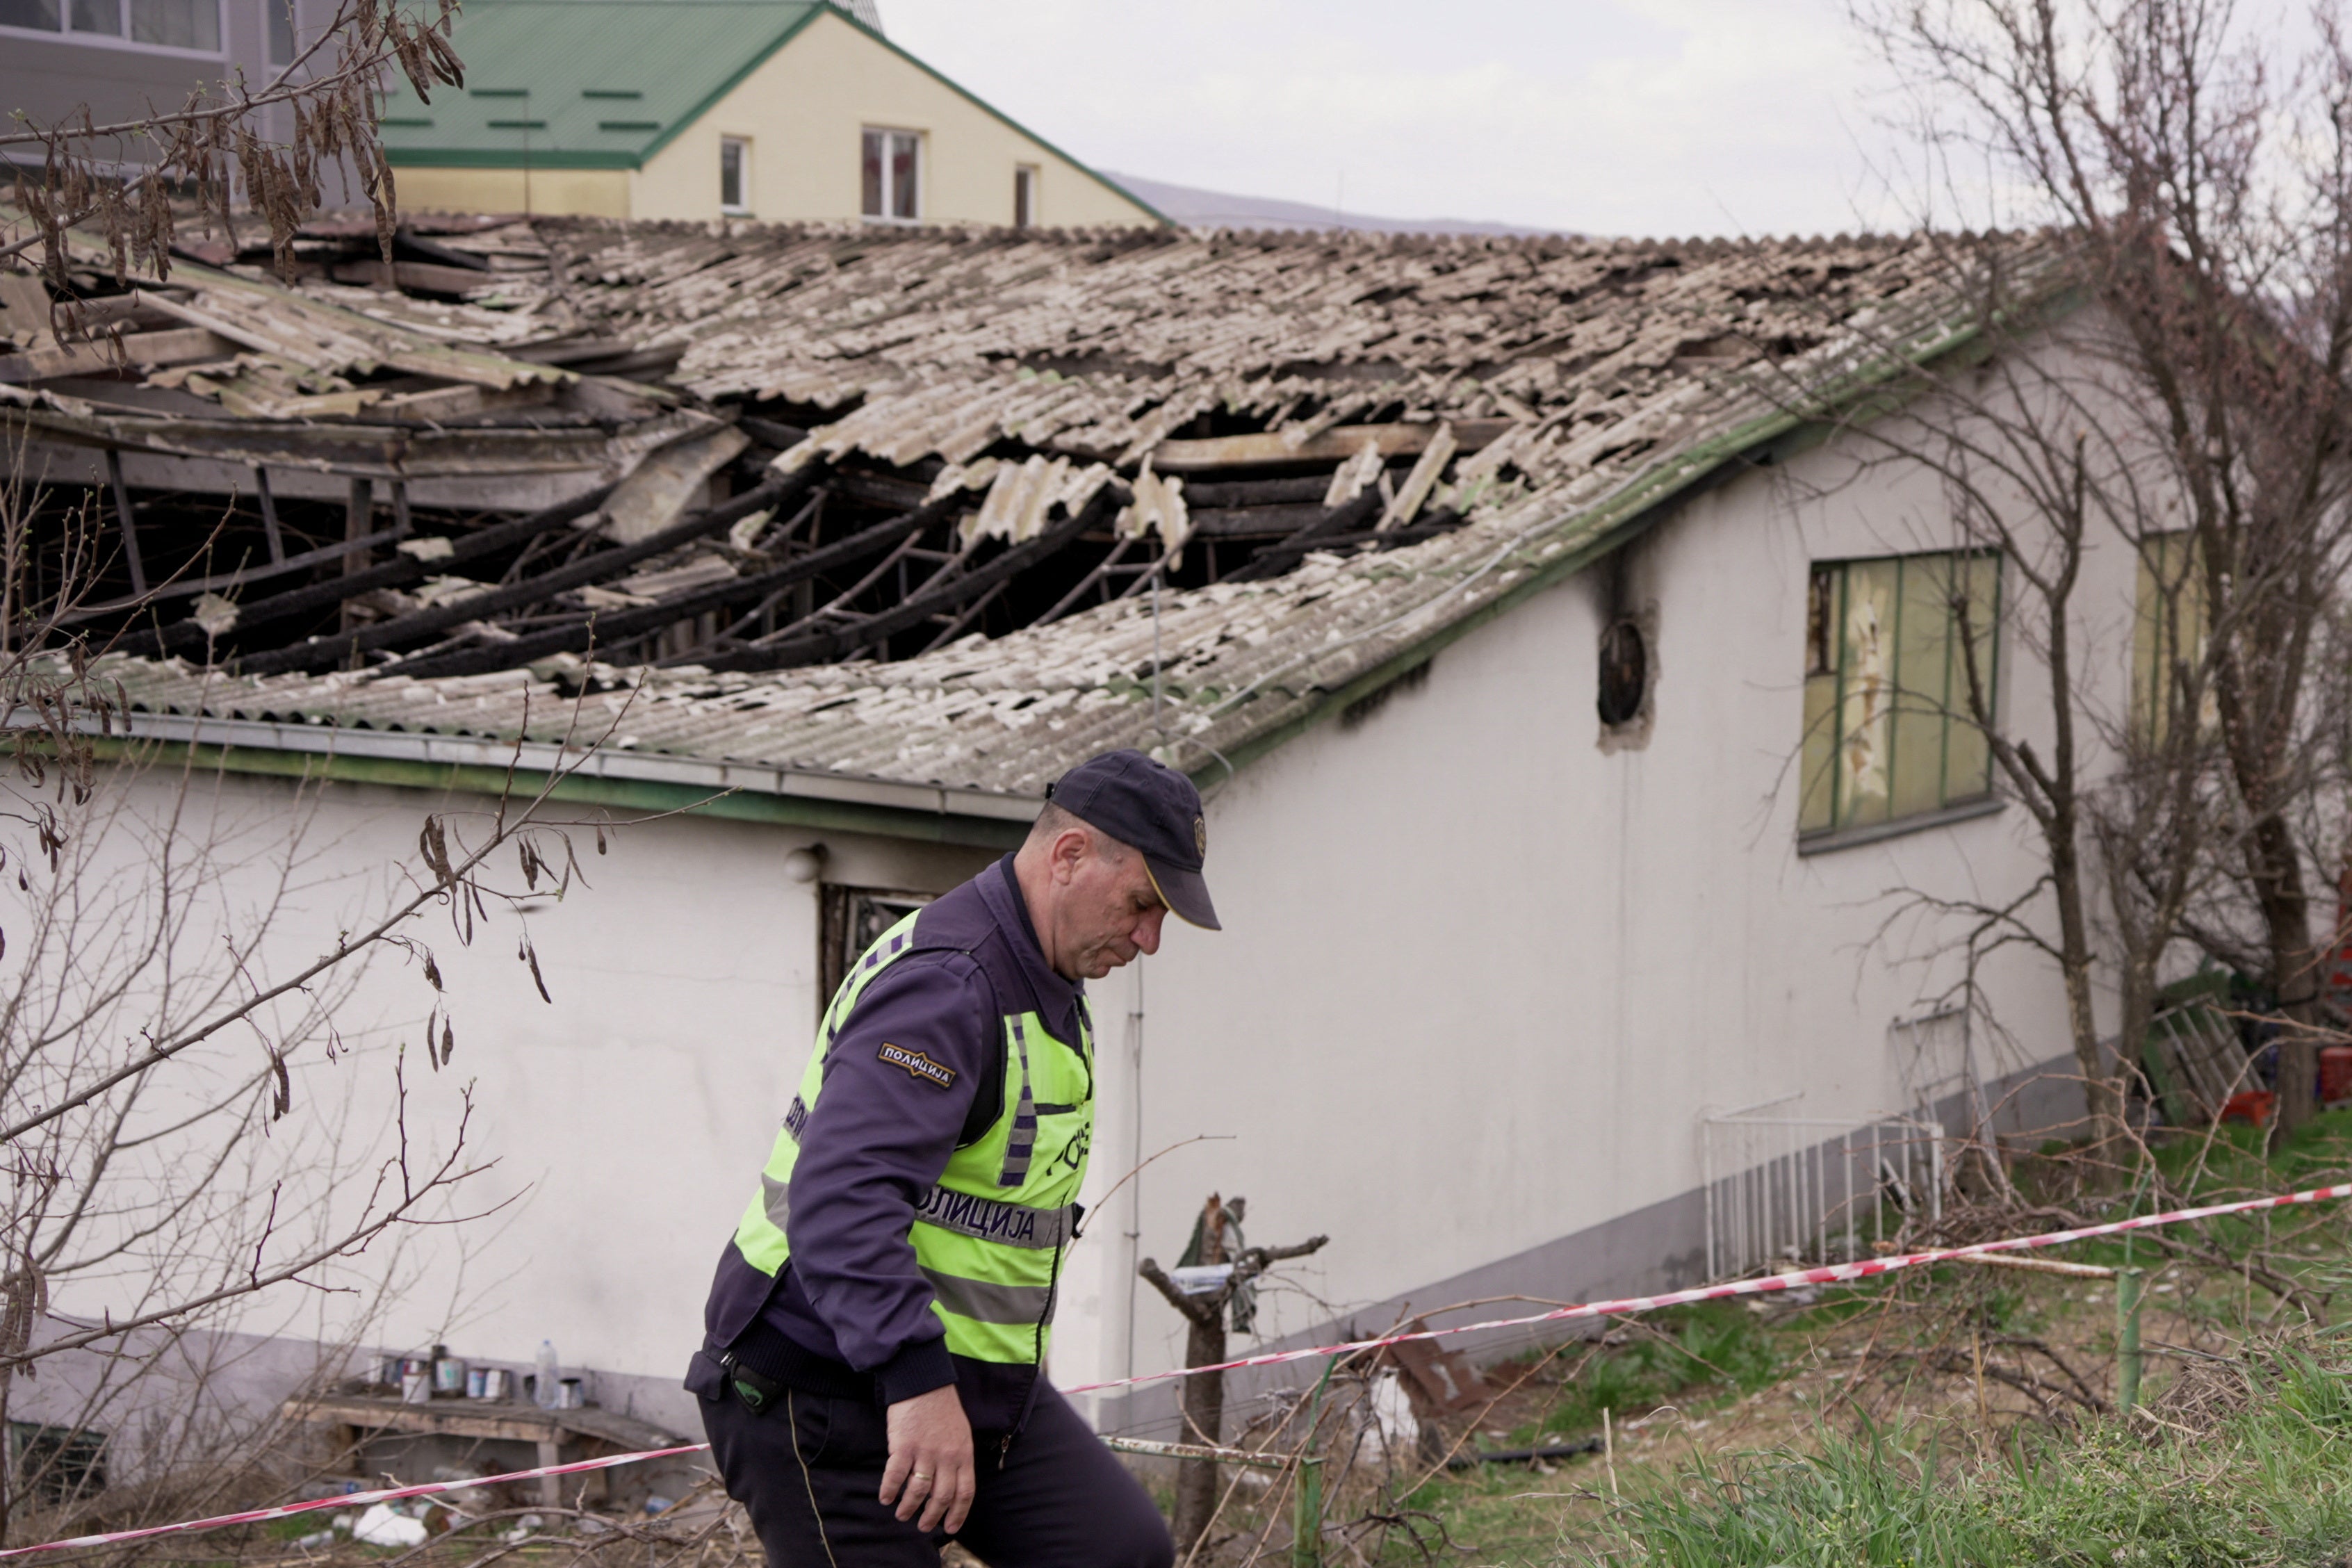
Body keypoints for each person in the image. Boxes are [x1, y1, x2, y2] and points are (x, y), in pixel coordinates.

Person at [687, 749, 1220, 1567]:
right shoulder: (951, 986)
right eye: (1142, 904)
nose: (1149, 938)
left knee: (1117, 1552)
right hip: (825, 1389)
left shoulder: (1039, 970)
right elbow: (841, 1200)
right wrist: (918, 1384)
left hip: (971, 1385)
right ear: (1069, 856)